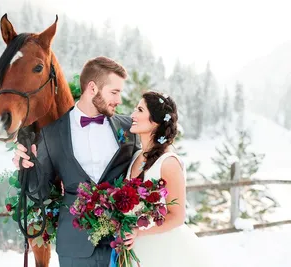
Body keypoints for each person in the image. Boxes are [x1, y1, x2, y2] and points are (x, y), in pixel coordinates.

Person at [13, 56, 140, 267]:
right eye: (114, 92)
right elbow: (38, 191)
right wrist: (25, 167)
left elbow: (147, 171)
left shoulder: (129, 129)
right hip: (74, 245)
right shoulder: (52, 134)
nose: (119, 100)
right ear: (92, 88)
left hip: (124, 245)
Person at [124, 91, 215, 267]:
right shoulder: (135, 156)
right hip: (137, 249)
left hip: (163, 250)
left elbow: (177, 216)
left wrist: (139, 232)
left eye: (140, 110)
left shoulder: (168, 162)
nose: (133, 115)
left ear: (156, 121)